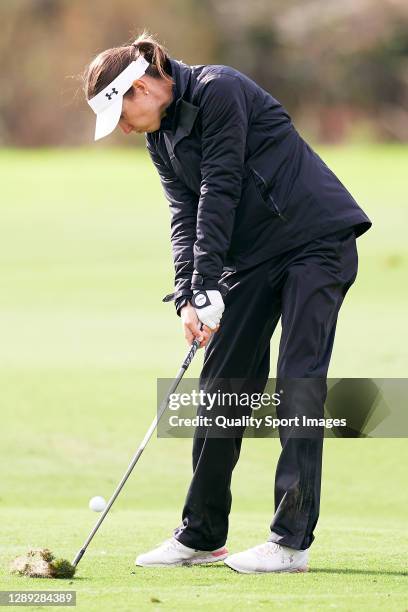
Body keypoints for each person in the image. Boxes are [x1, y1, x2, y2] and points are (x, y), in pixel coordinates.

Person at [83, 30, 371, 574]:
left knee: (297, 384)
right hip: (254, 258)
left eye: (122, 114)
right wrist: (189, 294)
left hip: (315, 242)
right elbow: (182, 215)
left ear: (142, 87)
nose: (122, 128)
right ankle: (201, 533)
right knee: (220, 388)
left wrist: (210, 280)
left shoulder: (220, 91)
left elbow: (221, 185)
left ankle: (289, 543)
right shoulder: (160, 136)